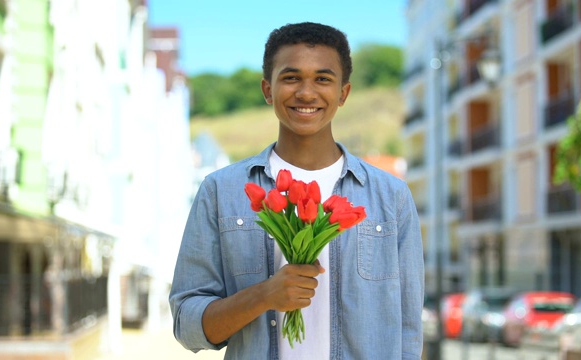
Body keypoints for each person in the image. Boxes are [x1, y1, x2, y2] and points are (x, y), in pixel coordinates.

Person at [169, 22, 425, 359]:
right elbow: (188, 326)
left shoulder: (391, 197)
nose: (306, 93)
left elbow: (408, 330)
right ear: (267, 90)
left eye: (323, 78)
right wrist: (263, 295)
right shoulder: (221, 191)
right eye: (291, 78)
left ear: (343, 93)